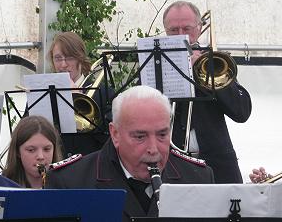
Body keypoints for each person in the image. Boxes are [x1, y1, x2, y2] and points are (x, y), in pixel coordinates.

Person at [46, 85, 214, 220]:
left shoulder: (198, 178)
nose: (153, 149)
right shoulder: (69, 182)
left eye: (162, 135)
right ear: (115, 134)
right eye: (140, 136)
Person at [163, 1, 252, 184]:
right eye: (173, 30)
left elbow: (241, 111)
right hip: (171, 164)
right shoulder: (156, 62)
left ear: (199, 28)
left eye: (186, 28)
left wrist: (208, 71)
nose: (181, 35)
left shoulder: (215, 61)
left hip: (217, 165)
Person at [48, 31, 115, 155]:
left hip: (90, 168)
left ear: (80, 58)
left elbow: (111, 140)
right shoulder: (43, 93)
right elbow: (27, 134)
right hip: (54, 169)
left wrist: (77, 98)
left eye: (69, 57)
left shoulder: (104, 93)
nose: (63, 64)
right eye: (58, 58)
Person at [1, 115, 63, 188]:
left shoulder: (67, 185)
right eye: (31, 150)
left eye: (46, 149)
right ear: (18, 152)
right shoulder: (2, 185)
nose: (40, 157)